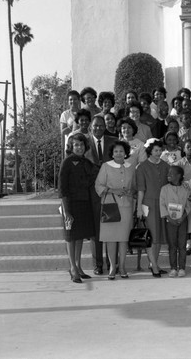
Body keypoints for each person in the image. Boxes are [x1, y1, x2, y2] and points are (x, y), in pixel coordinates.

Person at [59, 133, 97, 283]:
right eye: (76, 145)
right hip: (70, 203)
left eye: (81, 145)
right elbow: (62, 187)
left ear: (85, 147)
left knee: (80, 235)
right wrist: (66, 209)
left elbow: (95, 173)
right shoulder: (67, 162)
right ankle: (73, 268)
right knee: (70, 237)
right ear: (71, 146)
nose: (79, 147)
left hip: (84, 202)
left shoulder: (86, 162)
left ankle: (79, 267)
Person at [95, 141, 135, 280]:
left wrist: (131, 191)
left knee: (124, 238)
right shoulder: (106, 166)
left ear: (126, 153)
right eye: (116, 151)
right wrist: (113, 190)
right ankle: (112, 266)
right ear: (112, 153)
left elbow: (135, 186)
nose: (119, 153)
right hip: (110, 206)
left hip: (126, 206)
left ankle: (122, 266)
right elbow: (98, 185)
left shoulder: (131, 167)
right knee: (111, 238)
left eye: (121, 151)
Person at [84, 116, 118, 275]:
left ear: (105, 127)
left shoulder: (114, 141)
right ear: (90, 127)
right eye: (95, 126)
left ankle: (113, 263)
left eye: (101, 125)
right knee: (96, 230)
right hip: (92, 193)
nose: (98, 128)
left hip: (111, 191)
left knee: (111, 227)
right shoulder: (83, 142)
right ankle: (98, 265)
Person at [136, 138, 171, 277]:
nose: (158, 153)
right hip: (148, 204)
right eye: (155, 150)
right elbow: (140, 189)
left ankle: (153, 263)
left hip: (163, 204)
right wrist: (139, 207)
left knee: (159, 235)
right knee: (151, 236)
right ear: (150, 151)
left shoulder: (166, 166)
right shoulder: (142, 167)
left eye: (160, 150)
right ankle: (154, 266)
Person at [160, 165, 191, 277]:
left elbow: (188, 205)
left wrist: (183, 217)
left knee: (182, 245)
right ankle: (173, 268)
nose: (168, 175)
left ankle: (182, 268)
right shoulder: (164, 189)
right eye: (168, 173)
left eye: (171, 173)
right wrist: (169, 218)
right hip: (170, 221)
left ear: (179, 176)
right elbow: (162, 205)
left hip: (182, 220)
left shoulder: (185, 189)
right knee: (172, 245)